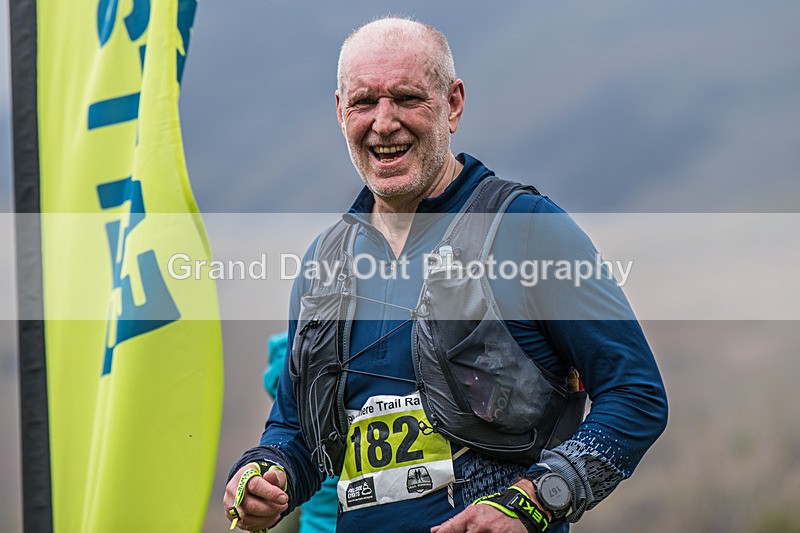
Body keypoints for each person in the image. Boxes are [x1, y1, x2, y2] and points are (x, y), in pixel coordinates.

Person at [224, 16, 667, 533]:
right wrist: (266, 473)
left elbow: (636, 396)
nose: (384, 122)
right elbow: (297, 431)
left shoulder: (529, 230)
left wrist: (535, 501)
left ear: (453, 103)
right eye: (364, 102)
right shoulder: (323, 265)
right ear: (340, 111)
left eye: (406, 97)